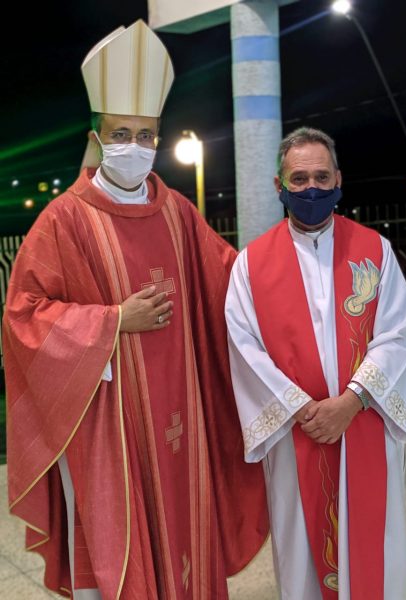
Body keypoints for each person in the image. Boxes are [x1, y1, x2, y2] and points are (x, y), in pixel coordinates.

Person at [3, 20, 268, 599]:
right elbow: (23, 316)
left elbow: (232, 280)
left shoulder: (177, 212)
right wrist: (114, 320)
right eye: (120, 133)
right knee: (120, 549)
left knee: (185, 528)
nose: (135, 145)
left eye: (146, 135)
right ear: (97, 137)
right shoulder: (64, 220)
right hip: (107, 426)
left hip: (183, 416)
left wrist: (287, 269)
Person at [225, 126, 406, 600]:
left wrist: (351, 402)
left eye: (320, 176)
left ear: (338, 179)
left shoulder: (373, 250)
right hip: (297, 432)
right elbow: (244, 348)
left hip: (363, 421)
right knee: (302, 553)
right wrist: (302, 409)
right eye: (299, 179)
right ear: (279, 185)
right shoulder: (251, 265)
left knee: (376, 549)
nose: (311, 188)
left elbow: (399, 334)